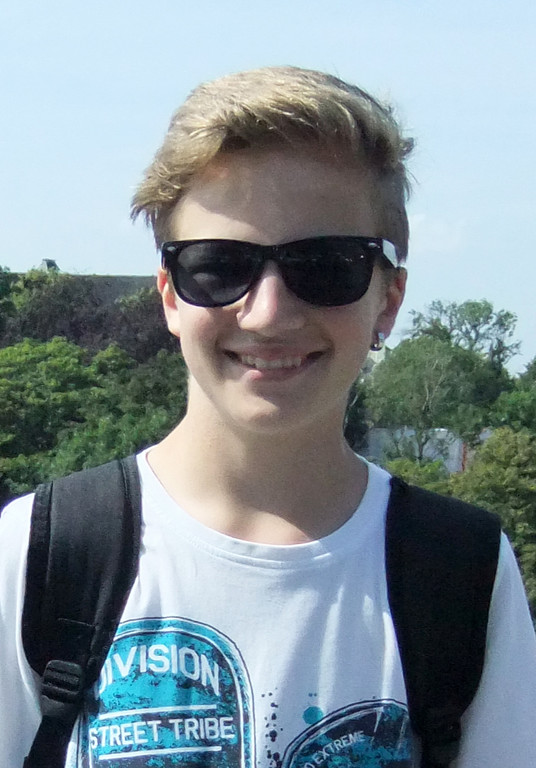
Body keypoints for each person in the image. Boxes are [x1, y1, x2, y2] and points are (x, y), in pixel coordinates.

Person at [1, 65, 535, 768]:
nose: (269, 313)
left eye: (327, 265)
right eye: (219, 266)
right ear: (169, 294)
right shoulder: (41, 552)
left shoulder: (461, 570)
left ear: (389, 299)